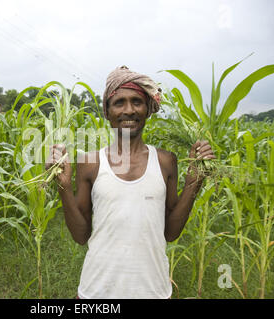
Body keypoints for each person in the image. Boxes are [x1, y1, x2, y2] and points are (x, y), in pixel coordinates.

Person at [46, 66, 216, 299]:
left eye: (137, 101)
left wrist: (193, 184)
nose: (129, 110)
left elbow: (170, 232)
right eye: (119, 103)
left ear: (147, 109)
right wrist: (63, 186)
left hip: (152, 290)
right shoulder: (90, 163)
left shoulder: (166, 161)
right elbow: (80, 236)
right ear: (107, 111)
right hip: (97, 291)